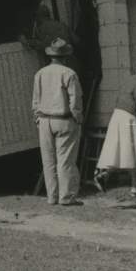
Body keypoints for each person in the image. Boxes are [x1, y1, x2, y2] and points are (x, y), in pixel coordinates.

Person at [92, 58, 136, 197]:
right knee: (135, 152)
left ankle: (106, 176)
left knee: (120, 150)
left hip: (118, 116)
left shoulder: (129, 80)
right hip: (131, 118)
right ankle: (134, 187)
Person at [32, 38, 84, 206]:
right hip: (63, 119)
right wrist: (78, 117)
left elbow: (35, 98)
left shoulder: (40, 73)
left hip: (44, 120)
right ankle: (66, 197)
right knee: (65, 160)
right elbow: (75, 100)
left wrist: (37, 116)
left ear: (51, 56)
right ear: (66, 56)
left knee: (48, 160)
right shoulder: (69, 73)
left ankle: (52, 196)